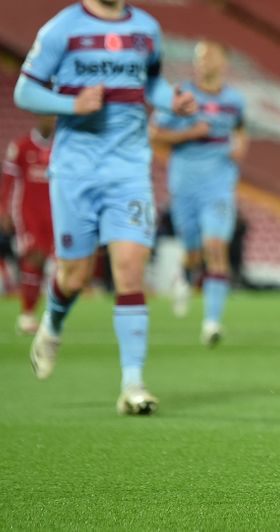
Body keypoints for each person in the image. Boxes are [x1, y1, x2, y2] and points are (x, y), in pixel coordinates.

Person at [14, 0, 197, 415]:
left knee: (130, 271)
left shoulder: (147, 28)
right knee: (73, 275)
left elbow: (150, 85)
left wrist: (173, 101)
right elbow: (24, 90)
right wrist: (71, 105)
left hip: (129, 169)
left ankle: (133, 385)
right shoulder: (63, 27)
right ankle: (53, 324)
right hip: (76, 171)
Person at [150, 39, 248, 347]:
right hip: (185, 187)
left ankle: (212, 322)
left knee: (215, 246)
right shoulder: (181, 96)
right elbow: (154, 134)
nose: (205, 62)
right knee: (193, 251)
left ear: (223, 62)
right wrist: (190, 134)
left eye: (211, 56)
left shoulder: (235, 100)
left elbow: (240, 129)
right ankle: (185, 274)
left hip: (218, 186)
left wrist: (241, 145)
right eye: (200, 57)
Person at [0, 115, 55, 335]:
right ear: (37, 117)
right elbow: (7, 180)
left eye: (52, 117)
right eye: (45, 116)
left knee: (52, 265)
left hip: (55, 214)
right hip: (27, 213)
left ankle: (44, 313)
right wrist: (3, 208)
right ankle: (27, 314)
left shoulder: (62, 148)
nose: (49, 121)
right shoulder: (21, 147)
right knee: (35, 257)